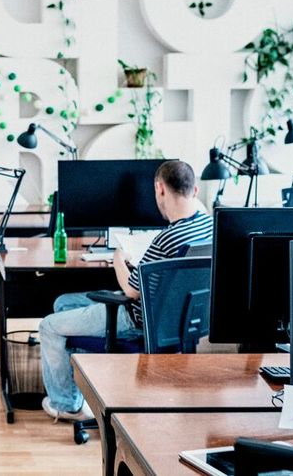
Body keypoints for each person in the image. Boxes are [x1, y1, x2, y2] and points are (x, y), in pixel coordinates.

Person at [38, 160, 213, 421]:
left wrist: (119, 257)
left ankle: (66, 404)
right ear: (195, 190)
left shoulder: (167, 238)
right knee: (64, 303)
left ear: (160, 189)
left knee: (49, 326)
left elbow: (131, 291)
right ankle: (86, 385)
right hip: (176, 322)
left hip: (135, 319)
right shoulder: (208, 227)